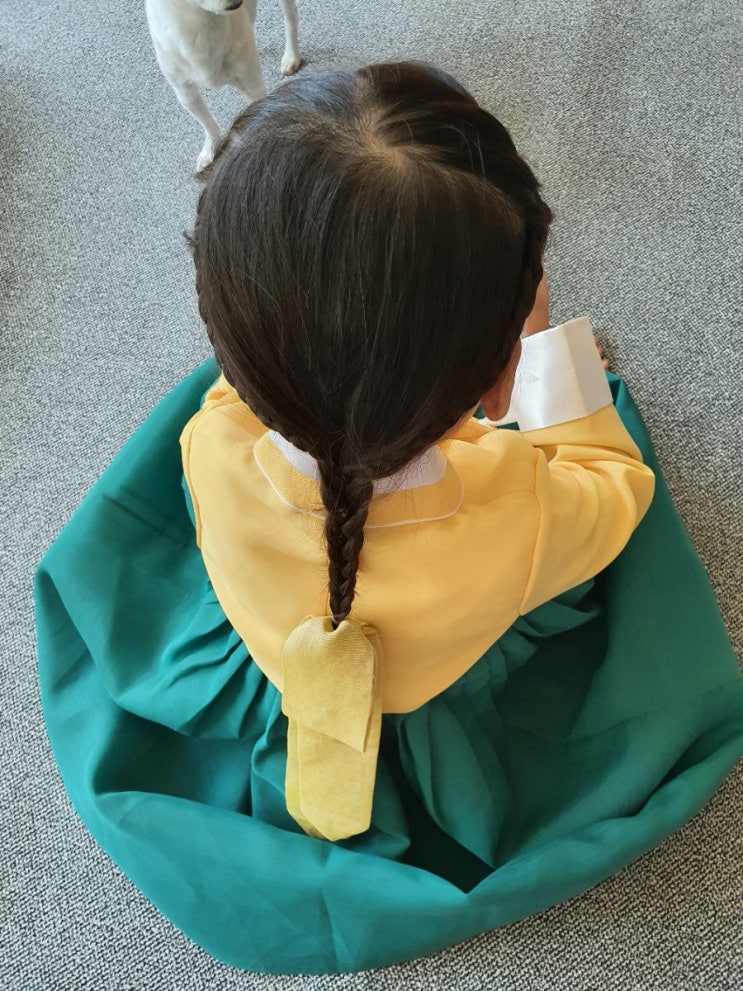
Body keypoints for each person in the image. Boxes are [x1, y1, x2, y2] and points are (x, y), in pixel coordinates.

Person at [35, 63, 743, 974]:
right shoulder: (518, 507)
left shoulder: (212, 436)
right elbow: (612, 486)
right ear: (496, 387)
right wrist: (543, 347)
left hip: (275, 642)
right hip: (444, 687)